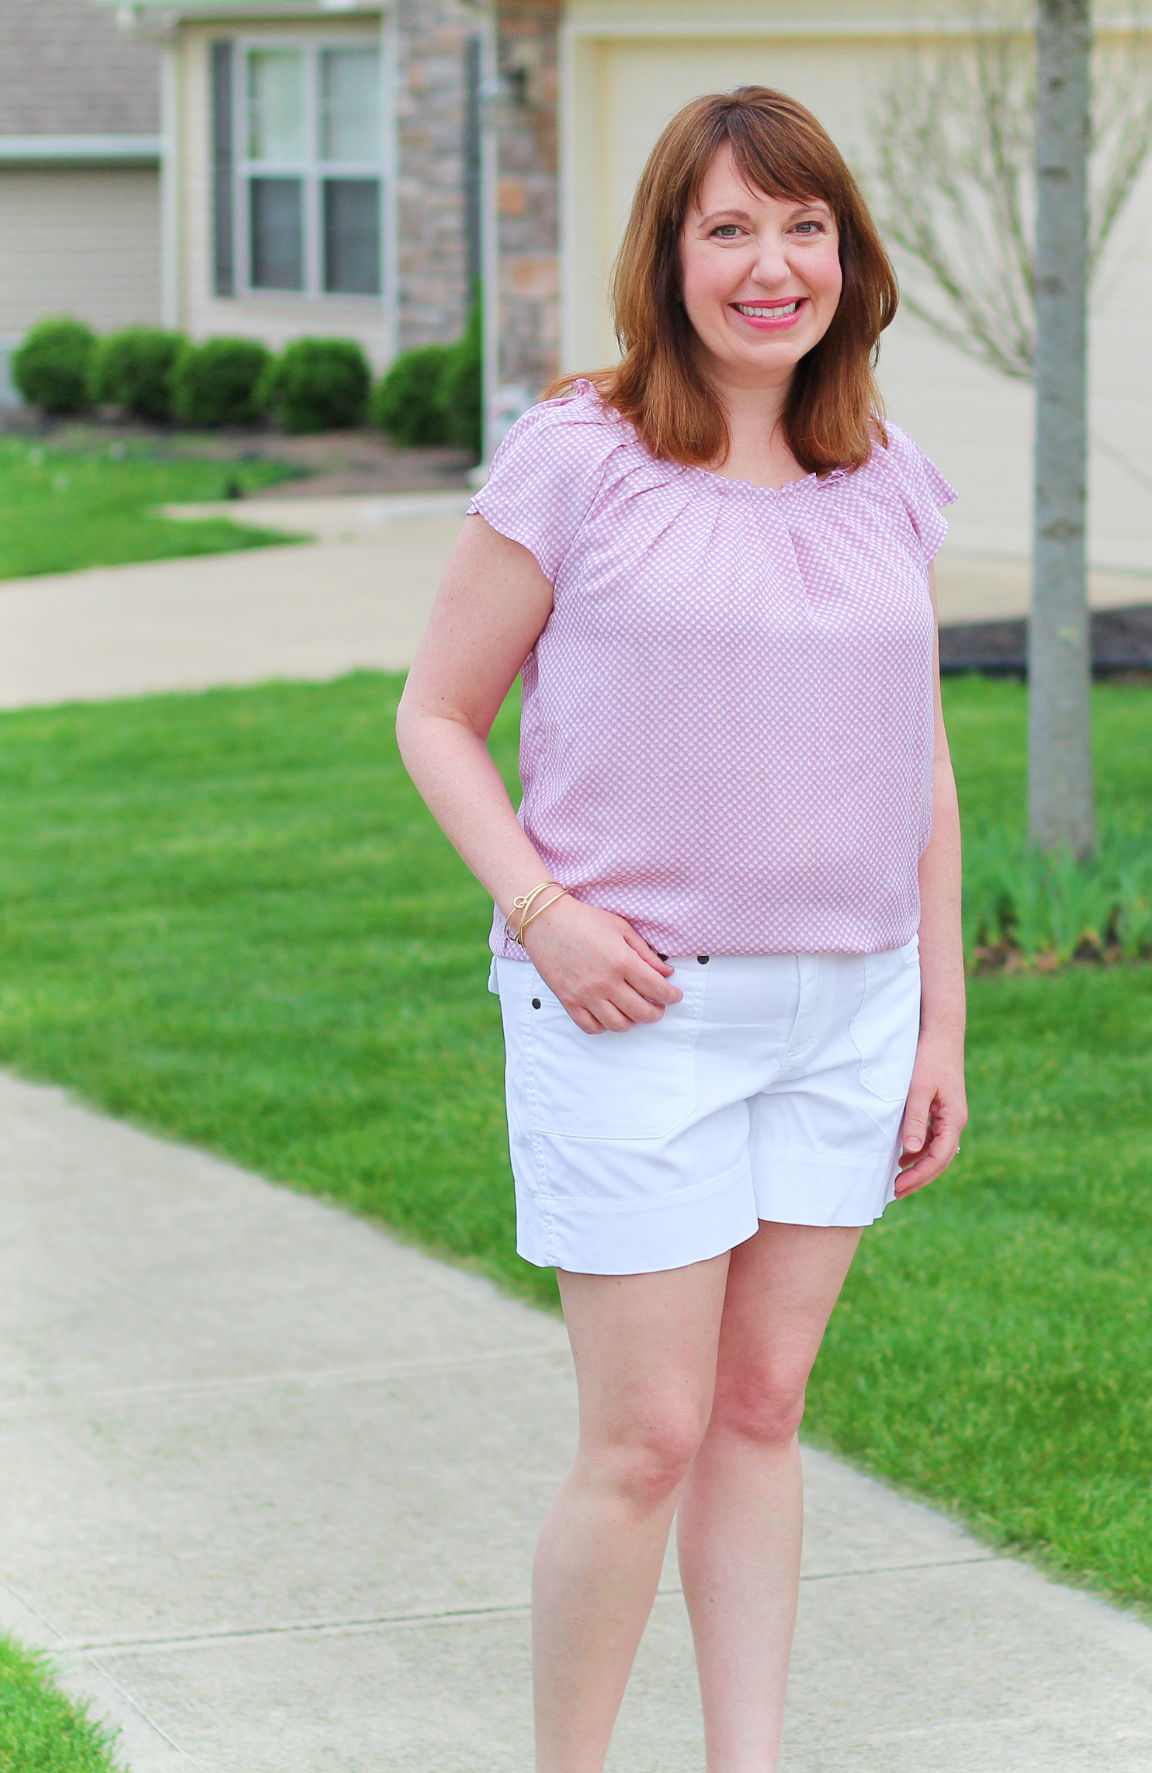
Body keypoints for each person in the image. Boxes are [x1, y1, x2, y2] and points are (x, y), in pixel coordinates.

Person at [396, 83, 967, 1773]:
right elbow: (436, 714)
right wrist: (545, 912)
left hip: (845, 1014)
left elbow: (915, 760)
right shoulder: (580, 454)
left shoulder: (885, 474)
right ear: (670, 254)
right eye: (729, 227)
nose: (769, 264)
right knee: (642, 1438)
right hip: (628, 1016)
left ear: (845, 260)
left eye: (802, 227)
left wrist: (938, 1022)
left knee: (759, 1413)